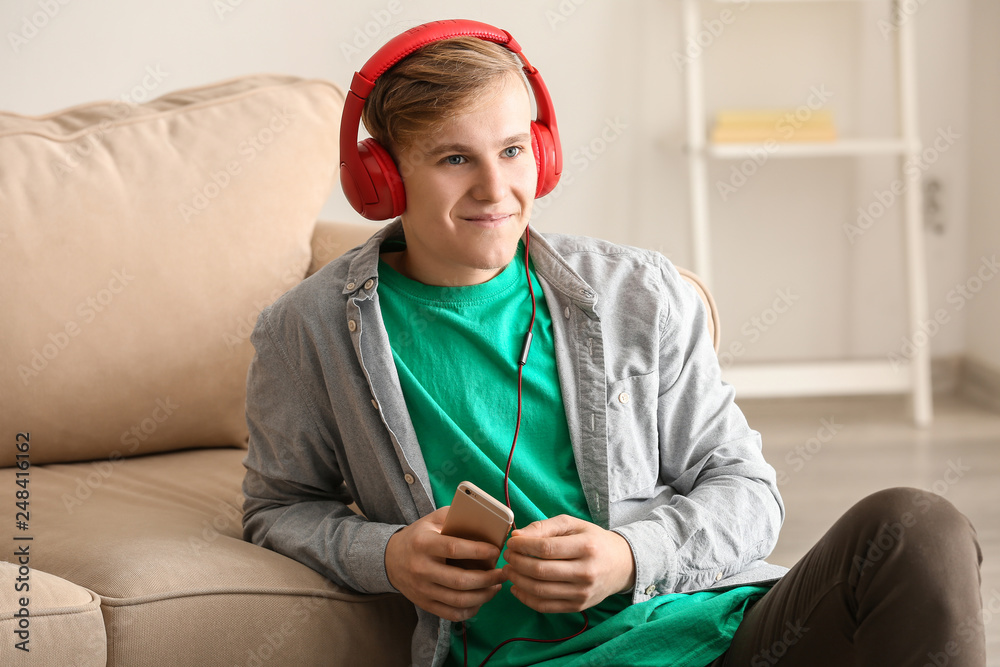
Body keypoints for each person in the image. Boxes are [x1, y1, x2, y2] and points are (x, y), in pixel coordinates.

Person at [241, 20, 986, 667]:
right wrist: (388, 554)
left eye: (511, 151)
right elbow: (277, 506)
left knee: (919, 528)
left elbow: (749, 493)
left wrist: (633, 556)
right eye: (454, 159)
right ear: (384, 178)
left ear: (544, 151)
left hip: (726, 635)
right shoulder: (306, 330)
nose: (496, 190)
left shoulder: (641, 293)